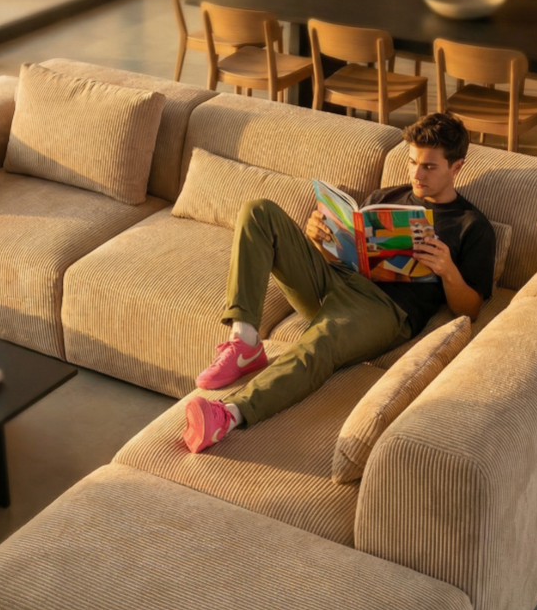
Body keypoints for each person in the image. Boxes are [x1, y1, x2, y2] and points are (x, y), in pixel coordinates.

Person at [182, 111, 497, 453]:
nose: (417, 175)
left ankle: (229, 414)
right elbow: (347, 256)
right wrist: (320, 240)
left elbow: (471, 310)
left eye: (429, 167)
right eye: (412, 162)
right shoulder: (385, 197)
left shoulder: (471, 226)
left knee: (320, 343)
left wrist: (448, 271)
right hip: (338, 279)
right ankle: (245, 341)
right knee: (259, 212)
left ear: (456, 167)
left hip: (384, 310)